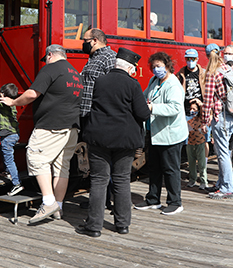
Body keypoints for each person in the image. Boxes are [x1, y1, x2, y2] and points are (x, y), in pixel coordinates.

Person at [0, 44, 83, 224]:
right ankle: (58, 207)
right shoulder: (76, 74)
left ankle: (48, 202)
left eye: (46, 58)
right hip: (72, 127)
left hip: (51, 125)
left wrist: (13, 102)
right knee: (62, 167)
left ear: (50, 55)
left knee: (35, 157)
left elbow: (31, 94)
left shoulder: (51, 69)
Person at [77, 48, 149, 237]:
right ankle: (122, 225)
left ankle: (94, 227)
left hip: (99, 138)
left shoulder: (100, 81)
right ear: (131, 67)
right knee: (122, 179)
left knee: (99, 180)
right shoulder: (133, 84)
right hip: (125, 141)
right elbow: (143, 114)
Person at [135, 52, 188, 215]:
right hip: (155, 133)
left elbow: (175, 108)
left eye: (159, 66)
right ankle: (153, 199)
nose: (156, 69)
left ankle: (175, 202)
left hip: (170, 135)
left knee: (171, 169)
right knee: (155, 167)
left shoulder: (173, 84)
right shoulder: (153, 81)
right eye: (154, 67)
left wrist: (152, 108)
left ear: (167, 66)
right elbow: (145, 97)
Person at [200, 44, 233, 200]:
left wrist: (204, 121)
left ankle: (227, 188)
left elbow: (208, 100)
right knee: (225, 151)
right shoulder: (227, 69)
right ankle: (221, 182)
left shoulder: (212, 73)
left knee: (222, 153)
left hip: (221, 117)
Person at [79, 28, 117, 119]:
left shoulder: (110, 57)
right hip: (85, 114)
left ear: (95, 40)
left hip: (96, 116)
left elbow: (113, 88)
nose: (84, 43)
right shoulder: (93, 58)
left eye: (85, 40)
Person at [184, 99, 208, 189]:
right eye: (191, 109)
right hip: (190, 143)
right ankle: (192, 179)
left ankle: (203, 181)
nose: (192, 111)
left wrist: (200, 104)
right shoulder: (188, 120)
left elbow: (204, 111)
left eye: (194, 109)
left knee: (202, 164)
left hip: (200, 143)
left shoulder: (201, 118)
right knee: (191, 163)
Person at [177, 48, 205, 114]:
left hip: (200, 111)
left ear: (197, 59)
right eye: (188, 59)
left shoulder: (203, 74)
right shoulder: (180, 74)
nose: (190, 61)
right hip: (185, 110)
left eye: (193, 59)